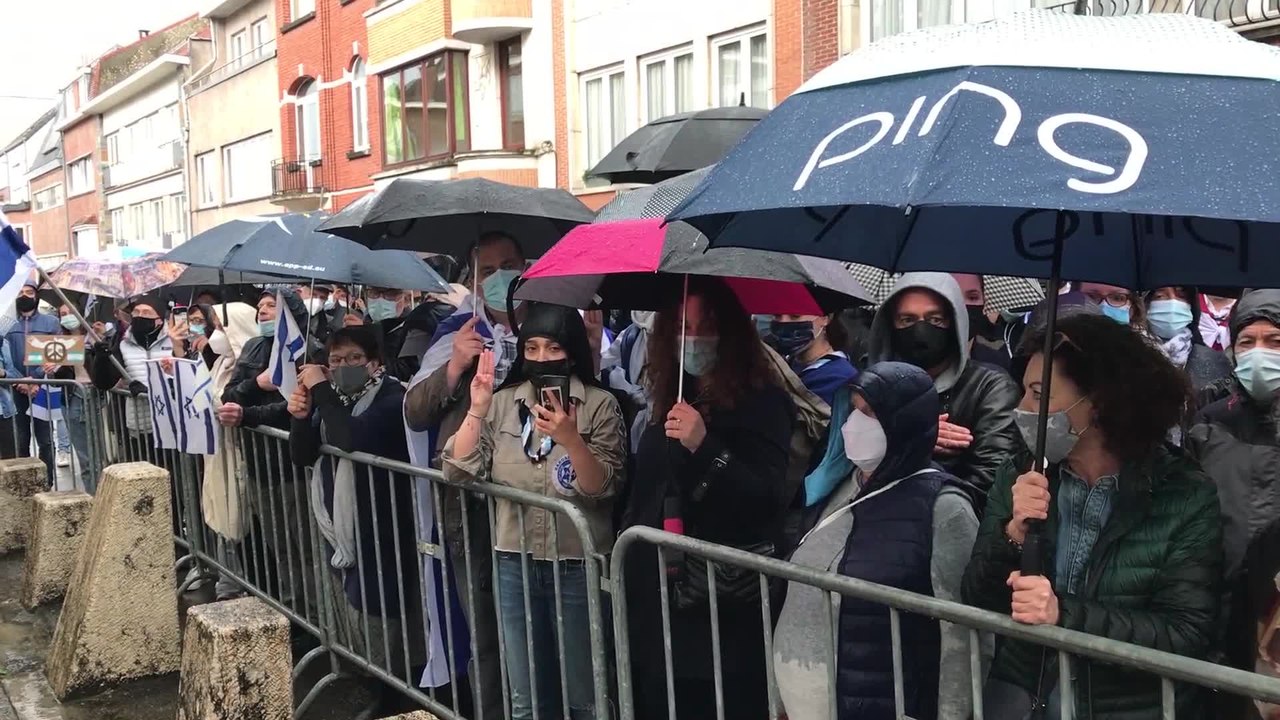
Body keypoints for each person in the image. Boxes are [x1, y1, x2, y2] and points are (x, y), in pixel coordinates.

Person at [962, 313, 1223, 719]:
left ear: (1099, 402)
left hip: (1126, 707)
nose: (1022, 408)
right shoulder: (1021, 474)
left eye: (1038, 394)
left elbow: (1185, 634)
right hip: (1022, 699)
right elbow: (978, 596)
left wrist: (1062, 614)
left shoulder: (1184, 495)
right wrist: (1012, 532)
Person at [622, 277, 793, 720]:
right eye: (682, 327)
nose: (692, 339)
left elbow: (766, 499)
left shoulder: (765, 402)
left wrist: (706, 447)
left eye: (705, 327)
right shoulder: (669, 394)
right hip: (657, 607)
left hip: (719, 610)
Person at [443, 304, 625, 720]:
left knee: (584, 694)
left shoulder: (599, 405)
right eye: (532, 347)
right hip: (514, 561)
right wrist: (477, 406)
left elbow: (602, 487)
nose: (542, 358)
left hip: (578, 564)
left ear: (573, 352)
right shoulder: (504, 402)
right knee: (526, 696)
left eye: (554, 347)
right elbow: (457, 470)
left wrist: (571, 439)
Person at [776, 362, 984, 720]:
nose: (853, 425)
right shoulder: (834, 487)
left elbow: (962, 636)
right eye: (853, 410)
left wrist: (952, 714)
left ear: (904, 422)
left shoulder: (945, 508)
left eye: (870, 413)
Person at [404, 231, 529, 720]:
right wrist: (455, 365)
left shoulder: (553, 328)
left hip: (536, 508)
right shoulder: (456, 333)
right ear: (473, 280)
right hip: (470, 509)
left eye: (510, 264)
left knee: (540, 628)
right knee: (487, 629)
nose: (501, 277)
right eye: (488, 270)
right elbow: (416, 411)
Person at [288, 326, 422, 714]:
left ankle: (396, 693)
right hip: (344, 524)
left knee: (385, 610)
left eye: (353, 359)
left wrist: (321, 391)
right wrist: (300, 416)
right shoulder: (335, 400)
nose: (343, 367)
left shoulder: (393, 398)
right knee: (356, 607)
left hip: (386, 525)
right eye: (335, 360)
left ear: (375, 363)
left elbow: (351, 438)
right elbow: (303, 454)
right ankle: (370, 678)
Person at [1186, 289, 1280, 720]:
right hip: (1218, 613)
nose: (1259, 353)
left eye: (1275, 341)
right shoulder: (1210, 422)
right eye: (1248, 341)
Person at [866, 273, 1022, 507]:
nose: (920, 330)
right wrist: (910, 440)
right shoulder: (870, 387)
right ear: (890, 325)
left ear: (955, 323)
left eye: (935, 319)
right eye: (907, 320)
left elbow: (989, 481)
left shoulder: (990, 387)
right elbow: (837, 464)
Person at [87, 295, 173, 446]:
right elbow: (104, 382)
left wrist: (150, 392)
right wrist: (101, 359)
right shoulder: (123, 343)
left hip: (172, 424)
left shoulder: (174, 341)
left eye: (146, 313)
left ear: (160, 319)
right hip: (138, 427)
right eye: (136, 312)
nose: (140, 316)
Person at [5, 281, 61, 470]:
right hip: (15, 388)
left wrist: (35, 380)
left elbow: (55, 354)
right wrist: (18, 381)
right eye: (20, 292)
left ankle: (48, 482)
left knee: (45, 440)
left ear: (36, 296)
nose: (25, 295)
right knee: (20, 439)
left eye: (29, 292)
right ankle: (24, 487)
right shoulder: (6, 323)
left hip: (42, 388)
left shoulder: (51, 322)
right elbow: (4, 356)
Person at [1144, 286, 1232, 391]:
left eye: (1181, 296)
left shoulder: (1215, 362)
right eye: (1160, 296)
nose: (1173, 303)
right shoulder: (1127, 356)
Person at [769, 312, 857, 407]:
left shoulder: (839, 377)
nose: (783, 322)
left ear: (824, 318)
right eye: (777, 315)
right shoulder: (783, 363)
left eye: (795, 316)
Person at [56, 305, 95, 491]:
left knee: (98, 454)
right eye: (62, 314)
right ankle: (92, 497)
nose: (67, 316)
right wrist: (54, 368)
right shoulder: (57, 342)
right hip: (72, 399)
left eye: (70, 312)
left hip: (95, 398)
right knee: (85, 456)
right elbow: (56, 379)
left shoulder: (94, 337)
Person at [952, 273, 1012, 371]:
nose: (962, 305)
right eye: (954, 295)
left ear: (985, 301)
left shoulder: (998, 365)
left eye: (972, 297)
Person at [1077, 281, 1146, 333]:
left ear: (1133, 308)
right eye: (1091, 297)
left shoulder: (1146, 349)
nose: (1103, 308)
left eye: (1117, 298)